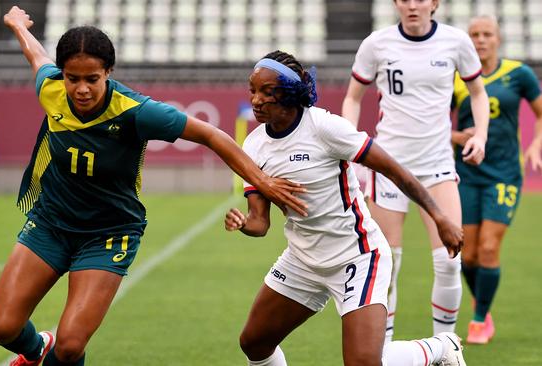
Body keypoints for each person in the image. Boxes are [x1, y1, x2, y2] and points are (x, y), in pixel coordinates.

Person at [0, 6, 308, 366]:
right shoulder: (50, 88)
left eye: (91, 78)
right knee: (2, 328)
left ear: (108, 73)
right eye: (72, 78)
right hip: (50, 224)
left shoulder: (136, 111)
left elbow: (211, 135)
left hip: (108, 234)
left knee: (71, 347)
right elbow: (37, 55)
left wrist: (262, 180)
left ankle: (55, 354)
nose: (80, 89)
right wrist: (17, 25)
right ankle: (36, 353)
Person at [225, 50, 467, 366]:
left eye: (267, 92)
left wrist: (440, 218)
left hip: (357, 255)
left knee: (363, 362)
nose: (256, 100)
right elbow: (261, 223)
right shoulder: (254, 145)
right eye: (252, 90)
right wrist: (244, 223)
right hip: (303, 260)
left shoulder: (326, 128)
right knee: (254, 343)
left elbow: (395, 170)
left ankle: (440, 348)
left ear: (290, 94)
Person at [341, 0, 490, 342]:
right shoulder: (376, 44)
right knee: (386, 267)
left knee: (450, 261)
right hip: (389, 169)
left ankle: (447, 350)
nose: (412, 5)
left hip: (437, 168)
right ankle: (384, 353)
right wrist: (350, 142)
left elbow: (478, 94)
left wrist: (481, 135)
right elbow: (353, 97)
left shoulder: (455, 42)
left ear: (434, 3)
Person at [451, 15, 542, 345]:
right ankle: (484, 302)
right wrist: (455, 137)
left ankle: (478, 321)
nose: (480, 40)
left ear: (498, 39)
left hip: (504, 174)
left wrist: (536, 142)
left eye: (487, 34)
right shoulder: (457, 79)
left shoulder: (519, 74)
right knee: (467, 255)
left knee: (489, 248)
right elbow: (435, 124)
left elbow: (540, 112)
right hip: (466, 174)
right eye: (474, 34)